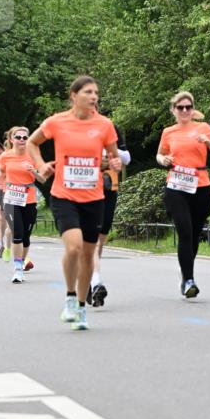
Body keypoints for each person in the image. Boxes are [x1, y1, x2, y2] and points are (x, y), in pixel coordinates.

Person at [27, 75, 121, 330]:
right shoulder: (56, 122)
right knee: (74, 248)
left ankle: (81, 307)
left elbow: (113, 158)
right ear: (73, 95)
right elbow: (32, 143)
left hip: (94, 197)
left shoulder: (104, 125)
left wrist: (114, 163)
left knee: (89, 254)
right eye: (89, 92)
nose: (94, 97)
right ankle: (70, 298)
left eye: (96, 93)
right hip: (64, 195)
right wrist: (40, 164)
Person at [157, 91, 210, 298]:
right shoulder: (168, 132)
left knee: (194, 235)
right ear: (173, 110)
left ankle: (186, 272)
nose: (185, 110)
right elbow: (159, 154)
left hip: (201, 187)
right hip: (176, 186)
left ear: (192, 109)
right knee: (185, 231)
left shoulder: (204, 128)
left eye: (188, 107)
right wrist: (163, 160)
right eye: (180, 107)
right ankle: (189, 280)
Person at [88, 120, 131, 307]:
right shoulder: (79, 128)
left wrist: (109, 151)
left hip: (109, 189)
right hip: (86, 190)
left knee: (100, 240)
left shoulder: (111, 129)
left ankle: (90, 281)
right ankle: (95, 281)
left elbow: (127, 158)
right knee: (92, 241)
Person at [0, 127, 43, 284]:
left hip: (29, 199)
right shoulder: (5, 156)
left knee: (25, 237)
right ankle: (17, 269)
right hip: (11, 198)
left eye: (25, 137)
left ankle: (22, 263)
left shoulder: (33, 154)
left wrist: (34, 172)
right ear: (12, 140)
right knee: (17, 233)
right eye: (18, 137)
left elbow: (43, 179)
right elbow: (1, 172)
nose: (22, 140)